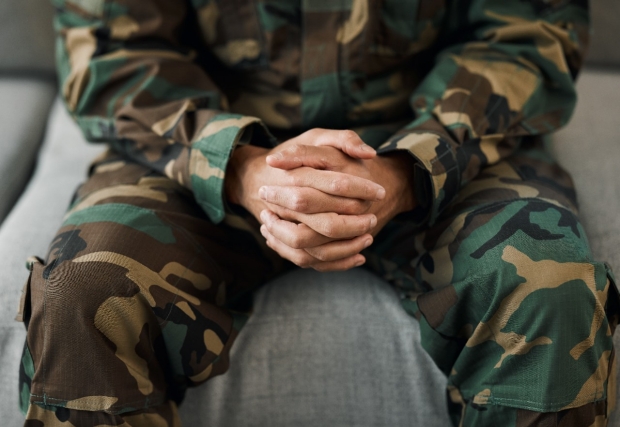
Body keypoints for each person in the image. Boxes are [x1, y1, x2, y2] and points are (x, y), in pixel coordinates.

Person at [16, 0, 619, 425]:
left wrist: (408, 168)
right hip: (205, 145)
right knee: (82, 291)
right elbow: (113, 50)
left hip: (441, 141)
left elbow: (528, 33)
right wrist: (240, 166)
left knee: (550, 290)